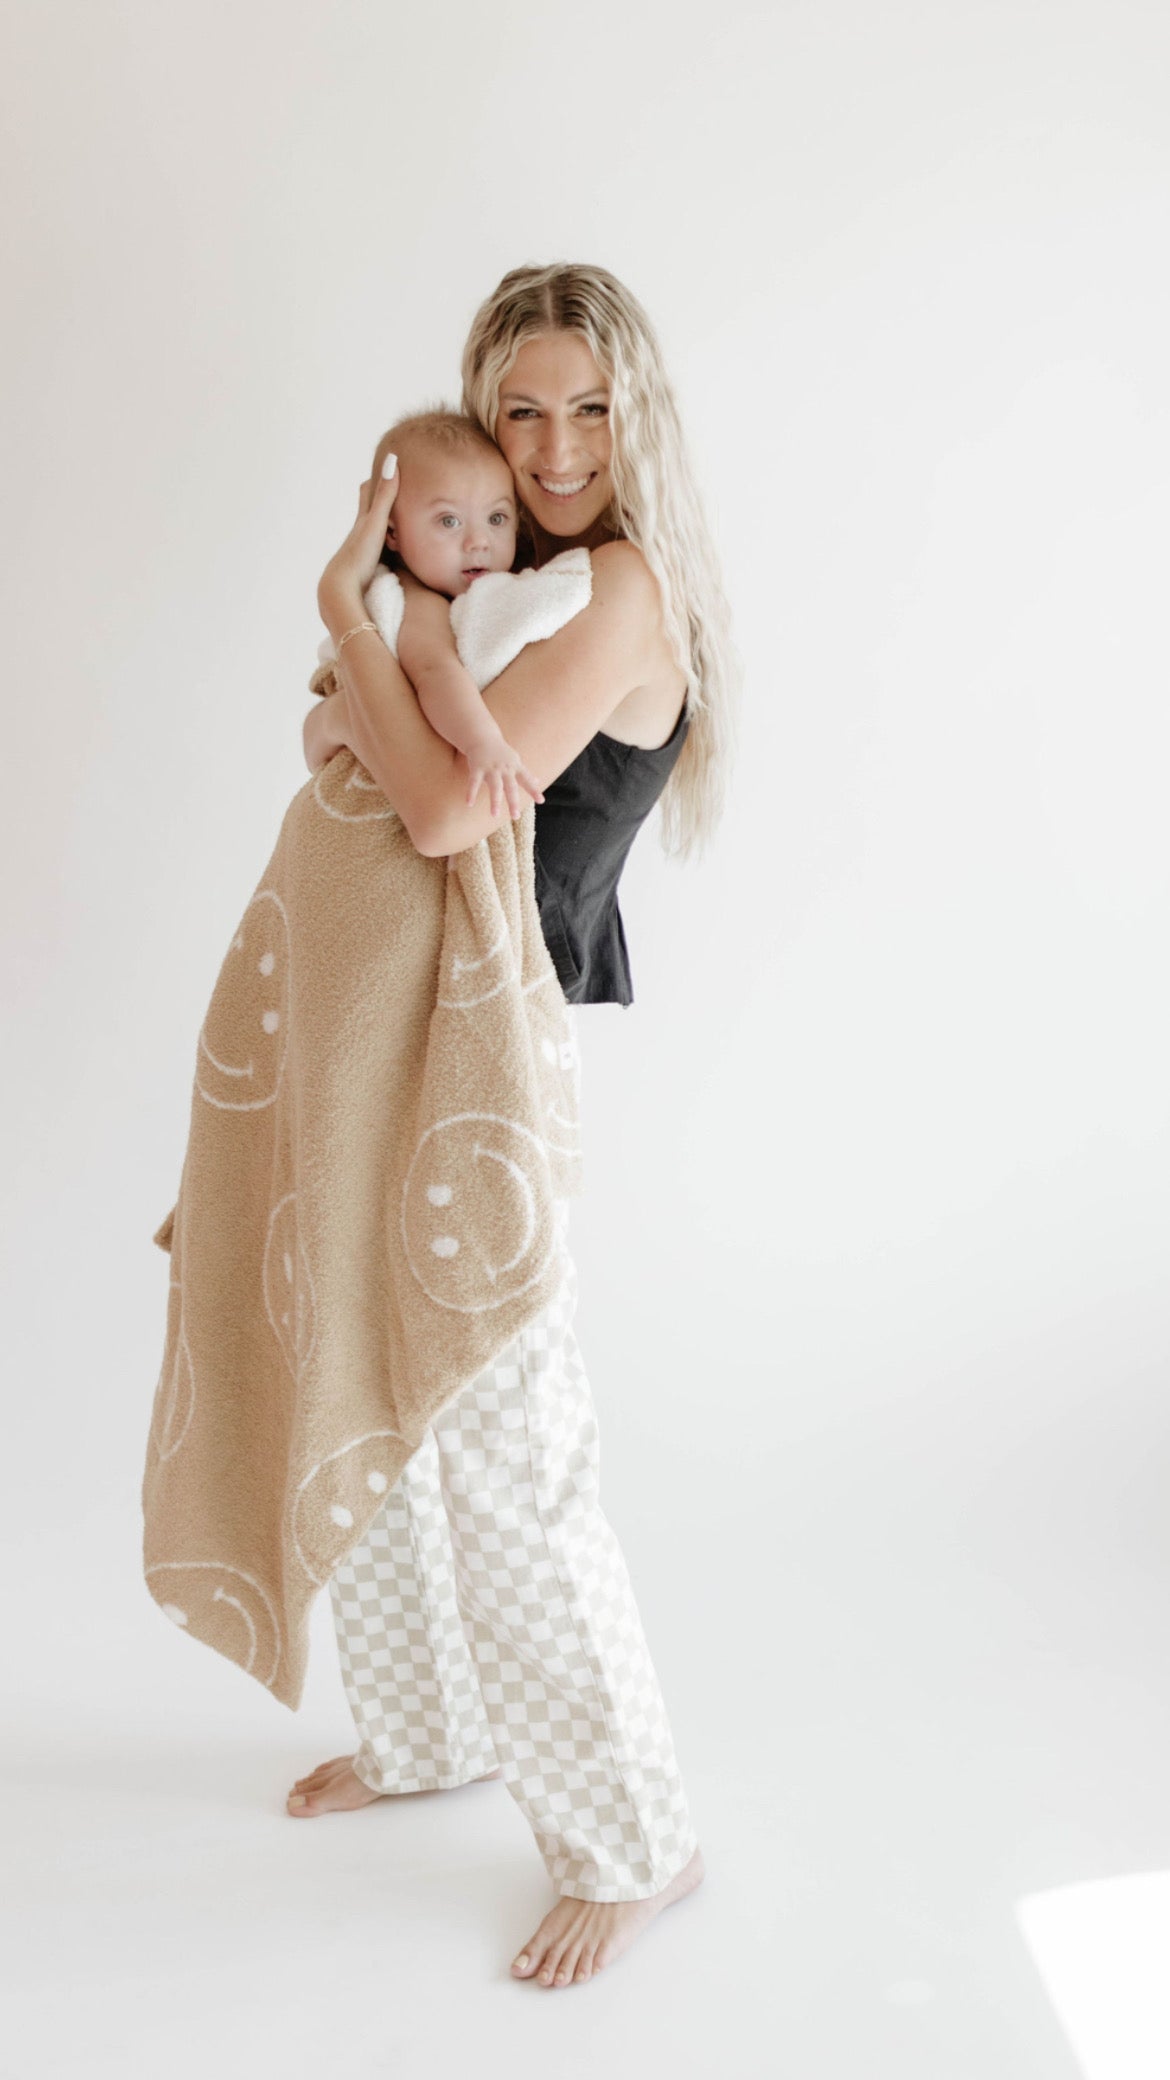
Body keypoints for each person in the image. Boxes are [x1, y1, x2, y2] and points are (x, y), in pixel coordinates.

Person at [287, 263, 738, 1991]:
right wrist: (376, 674)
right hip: (396, 1032)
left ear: (639, 417)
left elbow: (437, 807)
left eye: (588, 408)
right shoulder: (507, 578)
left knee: (509, 1446)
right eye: (521, 407)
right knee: (385, 1405)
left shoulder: (614, 588)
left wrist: (355, 624)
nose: (551, 447)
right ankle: (424, 1735)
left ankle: (637, 1836)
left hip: (495, 1052)